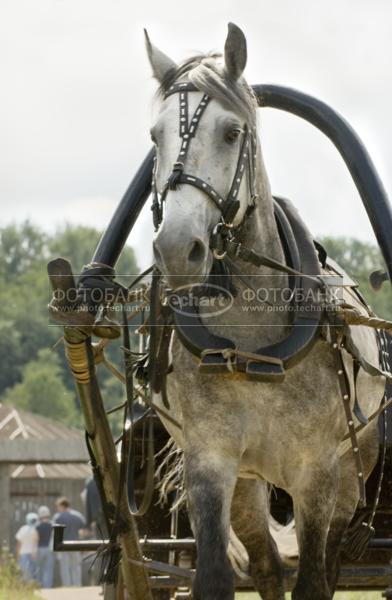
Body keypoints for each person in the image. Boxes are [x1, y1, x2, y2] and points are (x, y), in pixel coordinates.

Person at [54, 496, 86, 586]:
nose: (57, 509)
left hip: (63, 546)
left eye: (58, 507)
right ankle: (77, 585)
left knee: (65, 567)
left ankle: (67, 586)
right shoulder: (78, 515)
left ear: (62, 506)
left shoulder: (58, 517)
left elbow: (55, 533)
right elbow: (84, 531)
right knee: (76, 566)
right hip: (76, 544)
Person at [15, 512, 38, 581]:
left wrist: (17, 554)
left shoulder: (23, 529)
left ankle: (26, 588)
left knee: (25, 571)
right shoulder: (36, 530)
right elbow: (37, 542)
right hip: (33, 553)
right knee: (33, 571)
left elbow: (19, 543)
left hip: (23, 553)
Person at [36, 505, 54, 588]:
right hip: (49, 549)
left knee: (39, 568)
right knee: (48, 569)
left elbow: (36, 538)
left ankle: (39, 585)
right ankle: (47, 587)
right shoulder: (52, 525)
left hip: (39, 548)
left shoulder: (37, 526)